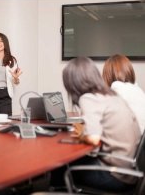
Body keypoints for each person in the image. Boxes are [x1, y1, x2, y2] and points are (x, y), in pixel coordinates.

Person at [51, 57, 141, 192]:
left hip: (114, 175)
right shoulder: (111, 95)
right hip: (130, 171)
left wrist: (80, 137)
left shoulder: (88, 98)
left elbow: (93, 139)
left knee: (59, 164)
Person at [102, 54, 145, 133]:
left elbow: (104, 121)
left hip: (130, 142)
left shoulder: (117, 88)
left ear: (108, 75)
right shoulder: (138, 89)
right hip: (140, 141)